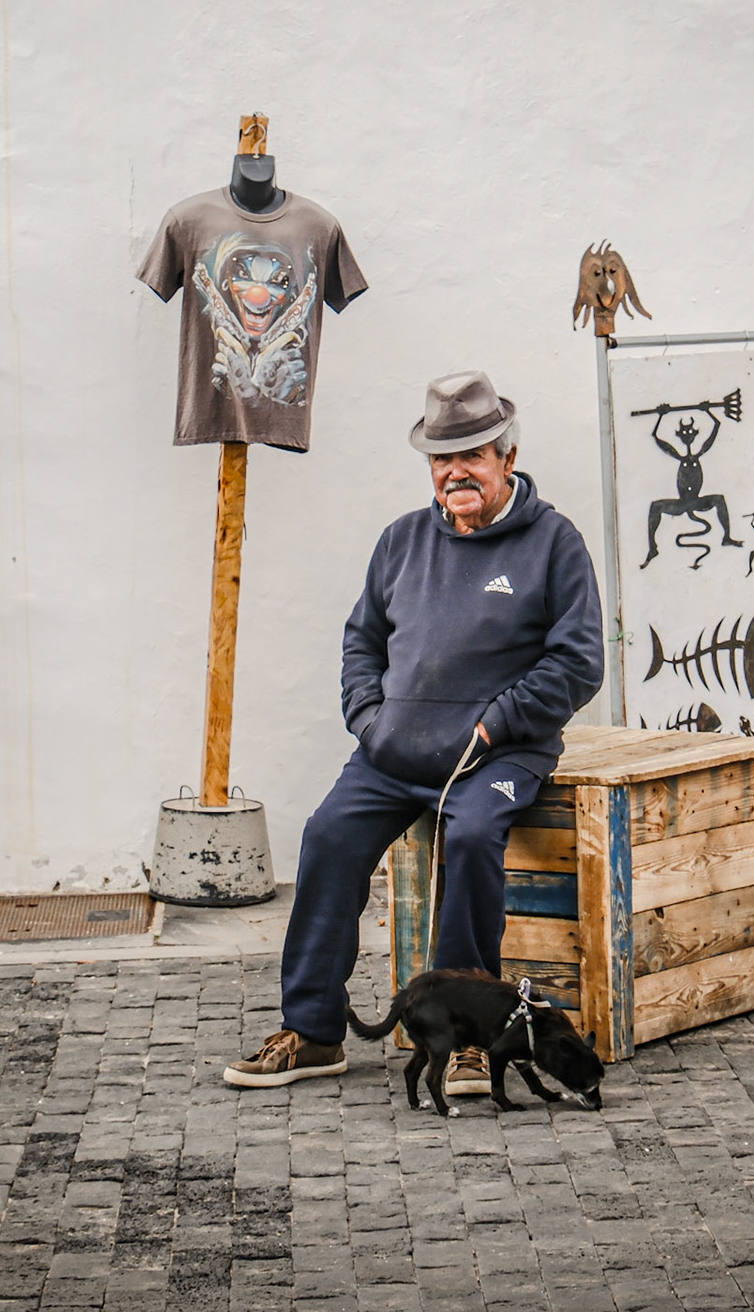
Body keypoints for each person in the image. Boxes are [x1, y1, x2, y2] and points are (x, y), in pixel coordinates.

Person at [224, 370, 604, 1096]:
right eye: (441, 457)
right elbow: (361, 643)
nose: (455, 470)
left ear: (507, 458)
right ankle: (311, 1031)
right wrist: (370, 719)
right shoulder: (401, 542)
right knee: (327, 836)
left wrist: (502, 720)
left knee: (468, 838)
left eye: (473, 454)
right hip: (393, 750)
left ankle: (466, 1039)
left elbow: (579, 660)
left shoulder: (553, 543)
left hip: (498, 752)